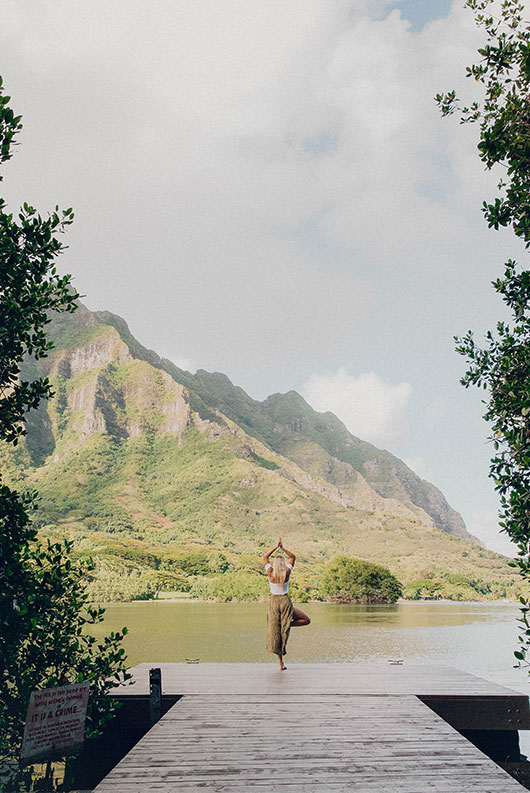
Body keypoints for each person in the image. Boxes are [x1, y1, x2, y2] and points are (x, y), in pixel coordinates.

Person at [263, 537, 310, 670]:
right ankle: (287, 624)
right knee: (306, 620)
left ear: (274, 564)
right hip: (284, 601)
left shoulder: (270, 572)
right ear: (283, 563)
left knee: (275, 632)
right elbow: (293, 557)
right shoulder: (287, 572)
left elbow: (265, 557)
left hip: (274, 603)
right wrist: (282, 548)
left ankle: (280, 664)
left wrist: (275, 547)